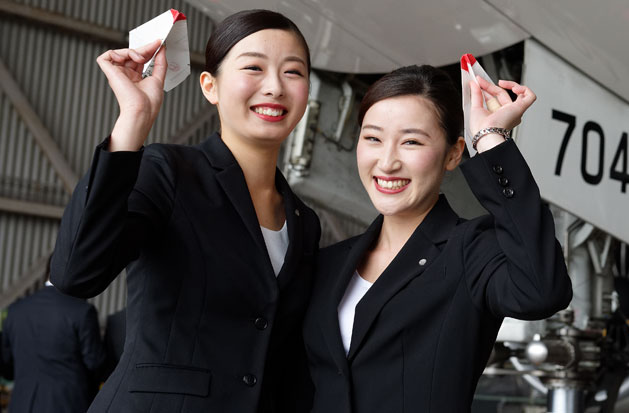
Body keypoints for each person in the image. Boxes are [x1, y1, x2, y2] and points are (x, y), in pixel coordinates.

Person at [50, 9, 320, 413]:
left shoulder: (304, 222)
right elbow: (76, 272)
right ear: (210, 86)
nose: (274, 87)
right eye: (254, 67)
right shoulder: (169, 172)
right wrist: (134, 120)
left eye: (293, 72)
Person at [303, 65, 573, 412]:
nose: (386, 162)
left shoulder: (470, 252)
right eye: (373, 138)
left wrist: (490, 138)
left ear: (453, 154)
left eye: (411, 142)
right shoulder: (328, 263)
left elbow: (542, 291)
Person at [1, 263, 104, 413]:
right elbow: (95, 364)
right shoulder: (82, 312)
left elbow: (7, 367)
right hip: (67, 406)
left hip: (22, 405)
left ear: (48, 271)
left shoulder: (15, 311)